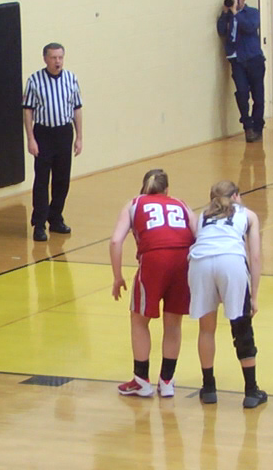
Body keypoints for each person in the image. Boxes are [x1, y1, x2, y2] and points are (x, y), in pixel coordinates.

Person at [109, 168, 194, 398]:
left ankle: (141, 380)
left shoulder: (134, 203)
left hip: (154, 260)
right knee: (173, 322)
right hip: (183, 260)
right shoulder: (182, 204)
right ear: (167, 189)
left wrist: (117, 277)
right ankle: (167, 382)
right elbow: (197, 237)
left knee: (139, 320)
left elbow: (116, 241)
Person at [188, 180, 266, 407]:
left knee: (206, 328)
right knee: (241, 326)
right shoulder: (247, 214)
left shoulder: (200, 215)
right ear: (236, 196)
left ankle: (209, 387)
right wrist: (254, 296)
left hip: (200, 262)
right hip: (231, 261)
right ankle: (251, 392)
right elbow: (256, 256)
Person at [22, 42, 83, 242]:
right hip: (44, 134)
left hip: (64, 132)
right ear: (45, 59)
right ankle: (39, 224)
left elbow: (77, 109)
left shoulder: (71, 78)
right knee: (42, 181)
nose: (57, 61)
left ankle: (55, 218)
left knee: (62, 180)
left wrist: (79, 137)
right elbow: (28, 110)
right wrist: (31, 138)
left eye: (60, 57)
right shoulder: (34, 81)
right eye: (53, 58)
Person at [217, 0, 266, 143]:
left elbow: (249, 27)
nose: (235, 0)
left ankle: (258, 126)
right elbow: (221, 31)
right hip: (237, 59)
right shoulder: (229, 14)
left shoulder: (252, 13)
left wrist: (236, 13)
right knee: (242, 93)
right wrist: (225, 13)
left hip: (254, 58)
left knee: (258, 97)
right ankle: (247, 126)